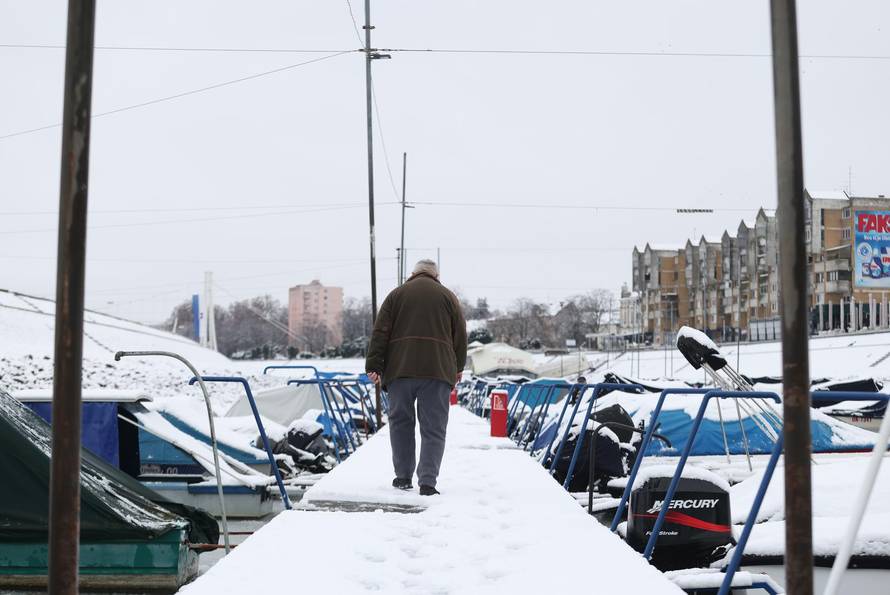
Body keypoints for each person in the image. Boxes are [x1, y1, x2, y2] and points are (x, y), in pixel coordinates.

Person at [365, 259, 467, 496]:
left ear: (413, 273)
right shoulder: (448, 296)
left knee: (400, 424)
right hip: (437, 372)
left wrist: (374, 365)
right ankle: (428, 483)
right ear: (436, 275)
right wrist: (458, 367)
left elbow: (380, 332)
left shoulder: (396, 295)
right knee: (434, 428)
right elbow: (459, 334)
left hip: (400, 371)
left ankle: (402, 477)